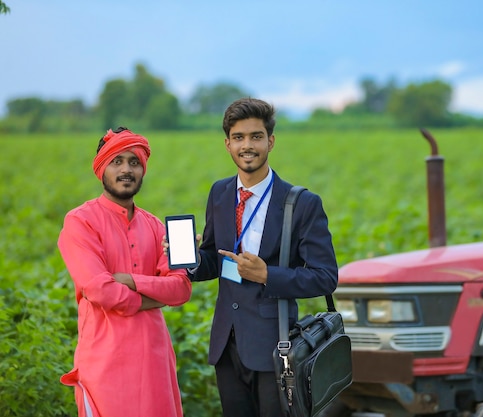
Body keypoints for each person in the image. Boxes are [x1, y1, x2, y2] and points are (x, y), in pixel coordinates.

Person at [189, 98, 338, 416]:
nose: (248, 145)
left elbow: (326, 276)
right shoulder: (220, 193)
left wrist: (268, 275)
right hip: (227, 347)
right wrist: (188, 259)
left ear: (270, 141)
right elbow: (214, 258)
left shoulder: (301, 203)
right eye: (239, 138)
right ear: (227, 144)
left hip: (276, 347)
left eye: (256, 136)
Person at [58, 127, 192, 417]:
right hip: (104, 363)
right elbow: (100, 290)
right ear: (101, 168)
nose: (126, 170)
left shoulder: (157, 226)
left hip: (155, 361)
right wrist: (154, 297)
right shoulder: (80, 222)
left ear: (143, 170)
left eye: (134, 162)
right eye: (116, 161)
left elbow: (181, 288)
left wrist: (130, 280)